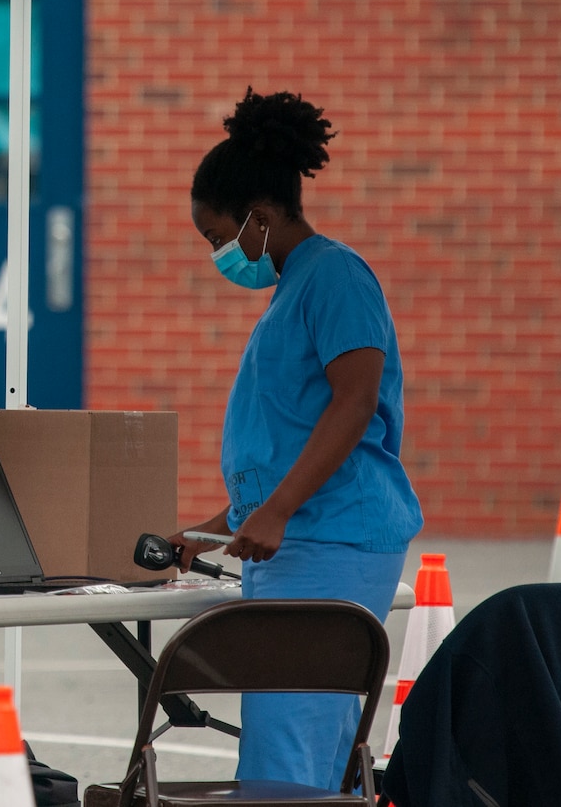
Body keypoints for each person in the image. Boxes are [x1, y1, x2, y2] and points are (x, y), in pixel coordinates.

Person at [169, 89, 423, 791]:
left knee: (292, 755)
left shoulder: (336, 276)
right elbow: (284, 446)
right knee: (291, 744)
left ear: (262, 215)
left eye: (220, 237)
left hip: (334, 541)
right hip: (298, 540)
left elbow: (355, 401)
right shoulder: (292, 290)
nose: (220, 253)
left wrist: (277, 511)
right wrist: (216, 525)